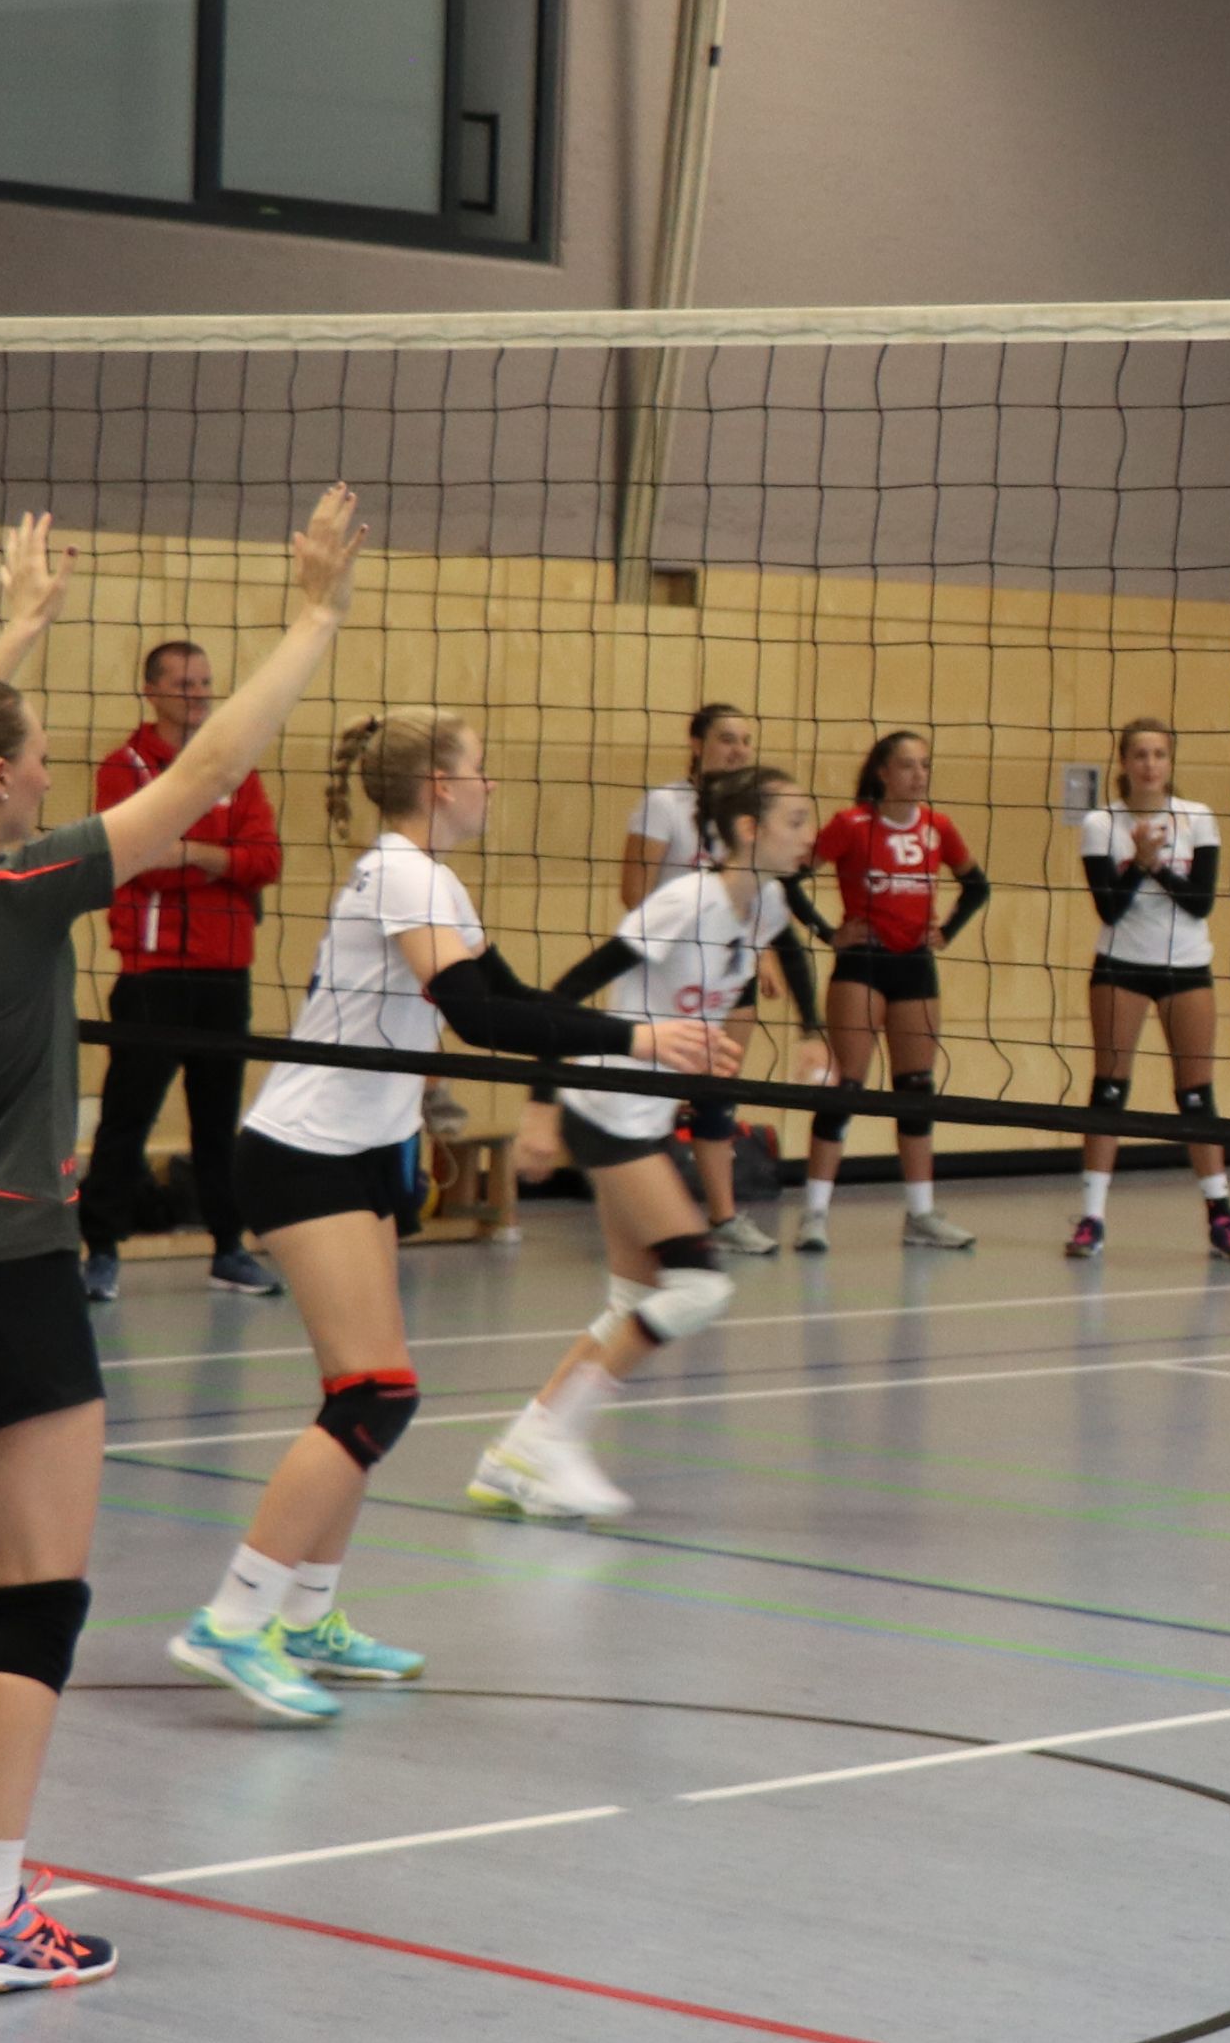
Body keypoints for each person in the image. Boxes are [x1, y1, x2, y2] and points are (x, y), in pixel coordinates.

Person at [0, 494, 350, 1991]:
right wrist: (314, 615)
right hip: (6, 1286)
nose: (50, 769)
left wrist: (21, 626)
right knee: (35, 1603)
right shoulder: (23, 893)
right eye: (33, 752)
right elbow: (209, 769)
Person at [178, 711, 736, 1718]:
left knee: (365, 1396)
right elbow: (480, 1019)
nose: (490, 785)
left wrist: (635, 1037)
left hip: (354, 1151)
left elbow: (516, 997)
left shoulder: (426, 878)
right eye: (479, 770)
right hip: (305, 1154)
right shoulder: (405, 874)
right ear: (440, 784)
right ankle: (232, 1618)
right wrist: (641, 1039)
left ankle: (307, 1618)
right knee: (374, 1396)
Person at [476, 765, 825, 1519]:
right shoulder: (684, 903)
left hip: (642, 1113)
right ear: (748, 831)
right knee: (699, 1287)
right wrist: (537, 1110)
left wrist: (812, 1031)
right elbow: (564, 995)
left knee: (633, 1302)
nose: (811, 835)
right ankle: (554, 1445)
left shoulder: (763, 902)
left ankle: (515, 1452)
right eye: (796, 820)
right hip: (608, 1106)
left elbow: (791, 953)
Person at [77, 636, 285, 1304]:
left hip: (226, 973)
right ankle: (101, 1251)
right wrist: (221, 860)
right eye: (184, 684)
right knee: (127, 1119)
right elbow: (137, 857)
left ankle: (228, 1249)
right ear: (153, 691)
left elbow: (266, 861)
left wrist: (193, 851)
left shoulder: (235, 769)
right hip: (153, 972)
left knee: (218, 1123)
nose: (198, 695)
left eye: (204, 683)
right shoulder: (126, 767)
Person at [798, 730, 983, 1251]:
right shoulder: (851, 824)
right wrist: (827, 932)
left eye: (925, 765)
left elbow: (978, 886)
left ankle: (921, 1215)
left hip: (915, 966)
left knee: (916, 1089)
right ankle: (814, 1215)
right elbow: (789, 879)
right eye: (908, 765)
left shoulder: (938, 827)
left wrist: (946, 931)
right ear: (883, 772)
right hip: (863, 963)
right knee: (846, 1087)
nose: (919, 775)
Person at [1069, 718, 1230, 1265]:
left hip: (1186, 966)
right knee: (1109, 1090)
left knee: (1195, 1095)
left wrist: (1153, 865)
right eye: (1140, 755)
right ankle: (1092, 1217)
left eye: (1159, 755)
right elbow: (1110, 909)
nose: (1150, 764)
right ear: (1124, 763)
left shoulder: (1197, 818)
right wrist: (1139, 864)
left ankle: (1221, 1216)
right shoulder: (1101, 823)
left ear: (1170, 763)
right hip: (1120, 965)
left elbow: (1200, 902)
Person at [623, 700, 770, 1249]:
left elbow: (755, 894)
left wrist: (764, 953)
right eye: (727, 738)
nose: (739, 750)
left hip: (732, 972)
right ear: (696, 743)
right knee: (656, 1097)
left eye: (746, 740)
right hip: (675, 975)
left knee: (717, 1092)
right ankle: (651, 1217)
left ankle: (723, 1220)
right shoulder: (664, 804)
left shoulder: (749, 816)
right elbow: (633, 893)